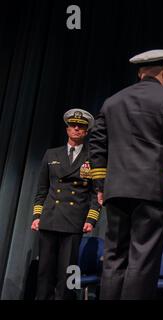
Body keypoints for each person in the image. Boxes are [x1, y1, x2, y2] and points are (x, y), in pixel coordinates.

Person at [89, 49, 163, 299]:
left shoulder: (111, 101)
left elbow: (97, 146)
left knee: (113, 258)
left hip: (116, 191)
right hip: (151, 192)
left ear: (139, 73)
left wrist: (100, 186)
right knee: (142, 261)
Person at [31, 108, 100, 299]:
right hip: (50, 218)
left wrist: (91, 219)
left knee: (67, 272)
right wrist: (37, 216)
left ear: (86, 132)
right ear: (67, 129)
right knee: (44, 271)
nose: (76, 128)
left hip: (73, 221)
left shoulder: (93, 158)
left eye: (81, 127)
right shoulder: (51, 154)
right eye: (73, 125)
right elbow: (42, 190)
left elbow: (97, 193)